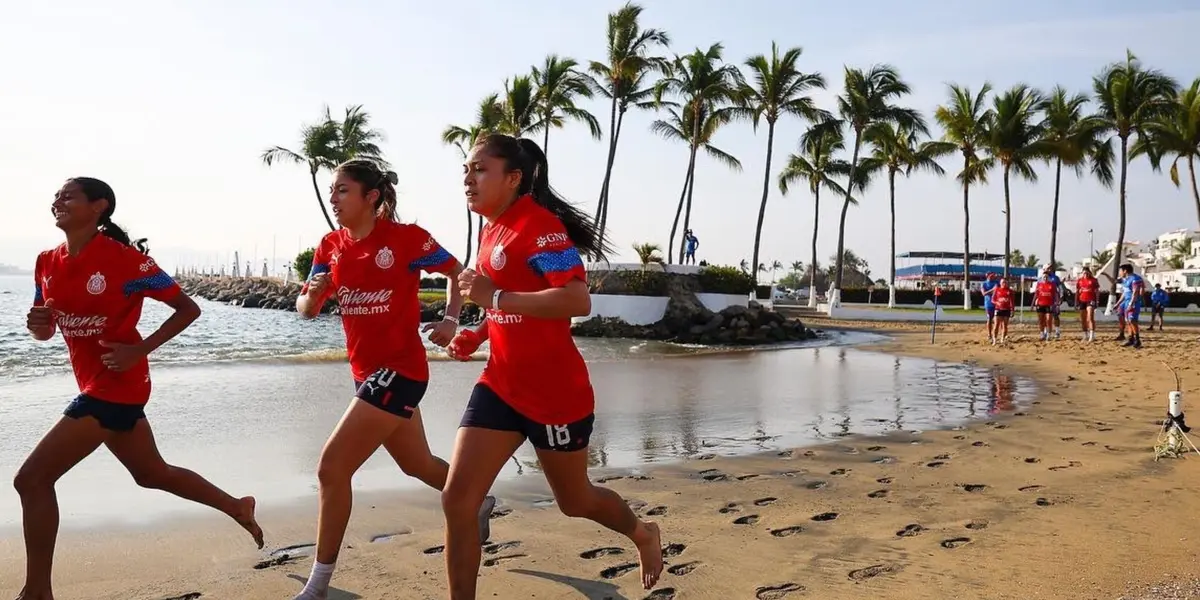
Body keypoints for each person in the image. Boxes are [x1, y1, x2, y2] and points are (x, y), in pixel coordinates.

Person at [17, 178, 263, 600]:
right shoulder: (45, 262)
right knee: (151, 474)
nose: (57, 201)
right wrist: (40, 327)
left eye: (68, 195)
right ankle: (237, 506)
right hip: (96, 383)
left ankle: (37, 592)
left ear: (99, 207)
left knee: (32, 480)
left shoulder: (126, 261)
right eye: (56, 195)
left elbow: (188, 308)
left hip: (119, 383)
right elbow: (46, 327)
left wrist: (140, 350)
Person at [441, 134, 664, 599]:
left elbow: (576, 298)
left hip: (554, 394)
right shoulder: (491, 229)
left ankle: (643, 534)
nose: (467, 179)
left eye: (479, 169)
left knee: (575, 501)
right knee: (457, 500)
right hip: (500, 385)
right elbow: (508, 305)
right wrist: (478, 331)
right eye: (466, 169)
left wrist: (493, 297)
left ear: (513, 178)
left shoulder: (540, 228)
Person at [292, 159, 494, 600]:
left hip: (401, 371)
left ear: (371, 198)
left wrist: (451, 320)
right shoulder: (329, 246)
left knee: (331, 468)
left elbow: (458, 272)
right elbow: (304, 309)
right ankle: (474, 499)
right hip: (366, 375)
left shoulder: (407, 240)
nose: (333, 198)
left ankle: (318, 585)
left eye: (343, 190)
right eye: (332, 190)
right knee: (416, 464)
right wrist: (314, 294)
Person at [1117, 263, 1145, 348]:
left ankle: (1137, 340)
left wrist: (1131, 304)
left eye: (1120, 271)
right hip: (1126, 302)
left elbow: (1135, 292)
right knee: (1128, 321)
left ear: (1125, 271)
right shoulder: (1126, 279)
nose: (1119, 272)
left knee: (1132, 320)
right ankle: (1131, 339)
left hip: (1134, 302)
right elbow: (1125, 293)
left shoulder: (1135, 279)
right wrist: (1118, 303)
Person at [1075, 267, 1100, 342]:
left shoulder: (1094, 280)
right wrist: (1076, 301)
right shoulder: (1079, 281)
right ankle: (1085, 334)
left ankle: (1092, 335)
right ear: (1082, 273)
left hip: (1091, 300)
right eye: (1084, 273)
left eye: (1087, 272)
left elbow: (1097, 291)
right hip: (1082, 300)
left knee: (1090, 318)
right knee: (1083, 319)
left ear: (1089, 272)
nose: (1085, 274)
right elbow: (1077, 292)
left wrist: (1097, 301)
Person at [1032, 270, 1058, 341]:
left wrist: (1057, 303)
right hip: (1040, 305)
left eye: (1046, 277)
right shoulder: (1039, 285)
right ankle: (1042, 334)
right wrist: (1032, 304)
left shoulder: (1052, 285)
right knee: (1041, 321)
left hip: (1049, 305)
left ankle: (1048, 335)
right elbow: (1036, 295)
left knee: (1048, 320)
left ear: (1048, 277)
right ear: (1042, 278)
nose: (1045, 278)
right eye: (1044, 277)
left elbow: (1055, 294)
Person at [992, 277, 1015, 344]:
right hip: (998, 309)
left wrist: (1012, 310)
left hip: (1006, 310)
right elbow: (992, 300)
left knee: (1005, 325)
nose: (1004, 284)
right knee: (996, 325)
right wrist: (997, 302)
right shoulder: (997, 289)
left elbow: (1012, 301)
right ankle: (994, 340)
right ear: (1000, 283)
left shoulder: (1010, 291)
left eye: (1005, 282)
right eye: (1003, 282)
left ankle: (1002, 339)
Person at [981, 273, 999, 343]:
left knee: (996, 320)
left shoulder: (997, 282)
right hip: (988, 304)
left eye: (994, 275)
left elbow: (999, 290)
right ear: (988, 276)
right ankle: (989, 334)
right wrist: (992, 290)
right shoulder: (984, 284)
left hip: (997, 304)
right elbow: (984, 293)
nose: (993, 276)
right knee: (989, 319)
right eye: (991, 275)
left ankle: (995, 335)